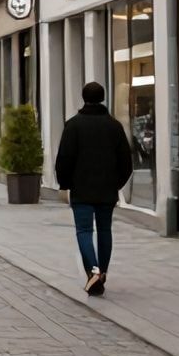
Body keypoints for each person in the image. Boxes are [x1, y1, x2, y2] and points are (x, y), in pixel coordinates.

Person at [54, 81, 134, 296]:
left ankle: (94, 272)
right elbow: (127, 162)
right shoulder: (114, 126)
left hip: (81, 189)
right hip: (107, 190)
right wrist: (116, 184)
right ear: (103, 97)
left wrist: (65, 183)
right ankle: (103, 272)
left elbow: (64, 159)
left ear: (83, 97)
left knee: (84, 231)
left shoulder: (73, 125)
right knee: (105, 230)